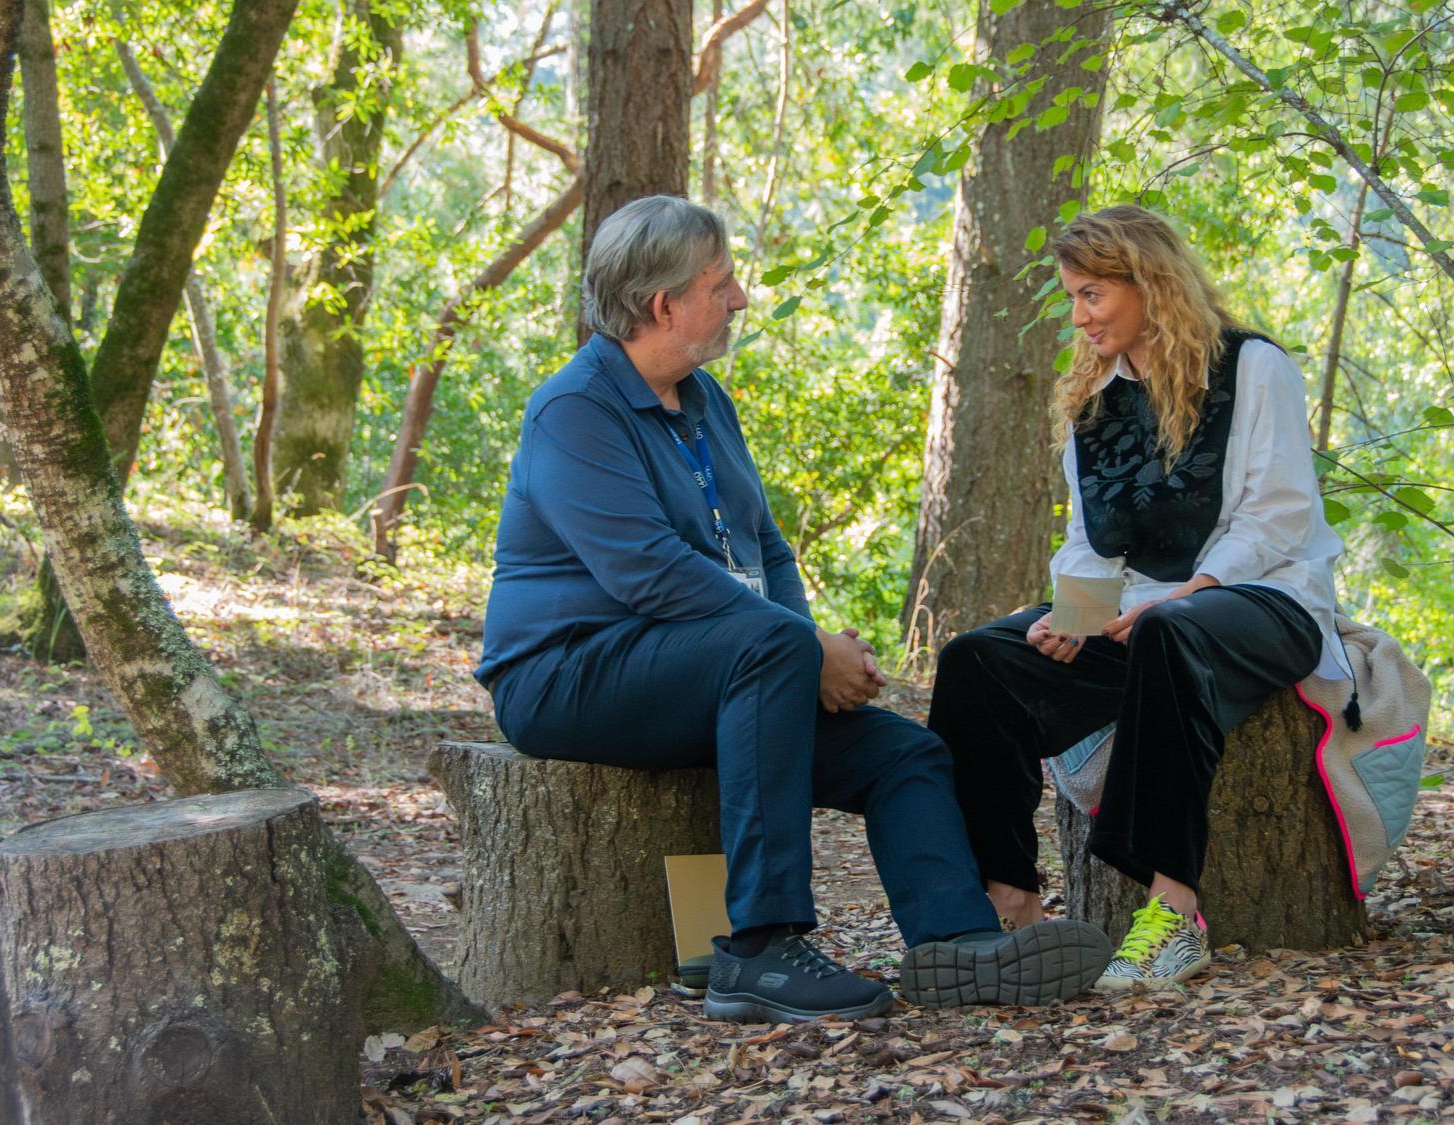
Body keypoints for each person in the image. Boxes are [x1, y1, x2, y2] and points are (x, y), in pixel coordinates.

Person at [474, 195, 1111, 1023]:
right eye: (722, 282)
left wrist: (803, 653)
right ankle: (762, 949)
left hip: (712, 672)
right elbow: (648, 574)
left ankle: (959, 943)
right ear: (663, 304)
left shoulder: (704, 402)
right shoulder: (574, 411)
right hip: (567, 673)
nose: (738, 297)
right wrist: (802, 649)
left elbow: (766, 549)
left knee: (903, 753)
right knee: (772, 652)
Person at [926, 205, 1349, 990]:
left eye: (1093, 295)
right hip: (1145, 615)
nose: (1080, 316)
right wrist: (1074, 616)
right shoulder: (1097, 400)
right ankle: (1010, 901)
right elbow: (1093, 538)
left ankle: (1173, 912)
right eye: (1073, 298)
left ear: (1150, 282)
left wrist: (1187, 592)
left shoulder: (1254, 367)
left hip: (1265, 601)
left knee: (1171, 632)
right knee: (977, 661)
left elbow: (1280, 512)